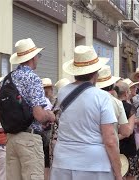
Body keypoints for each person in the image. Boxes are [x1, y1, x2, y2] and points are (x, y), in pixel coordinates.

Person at [50, 45, 122, 180]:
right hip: (94, 165)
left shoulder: (62, 92)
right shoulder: (102, 97)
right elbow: (110, 139)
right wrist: (118, 174)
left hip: (63, 162)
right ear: (96, 73)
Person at [7, 38, 56, 180]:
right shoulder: (32, 78)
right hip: (29, 138)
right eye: (37, 56)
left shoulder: (9, 78)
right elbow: (39, 115)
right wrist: (50, 116)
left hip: (11, 139)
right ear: (33, 57)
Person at [96, 65, 132, 139]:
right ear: (112, 85)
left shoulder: (88, 99)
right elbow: (125, 132)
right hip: (108, 144)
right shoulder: (116, 103)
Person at [116, 80, 139, 180]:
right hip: (129, 148)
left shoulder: (110, 105)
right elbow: (129, 131)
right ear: (126, 93)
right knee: (130, 176)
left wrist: (113, 137)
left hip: (115, 147)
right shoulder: (130, 108)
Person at [41, 77, 54, 180]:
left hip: (39, 132)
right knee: (46, 161)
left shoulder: (38, 99)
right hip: (46, 132)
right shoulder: (46, 101)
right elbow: (49, 116)